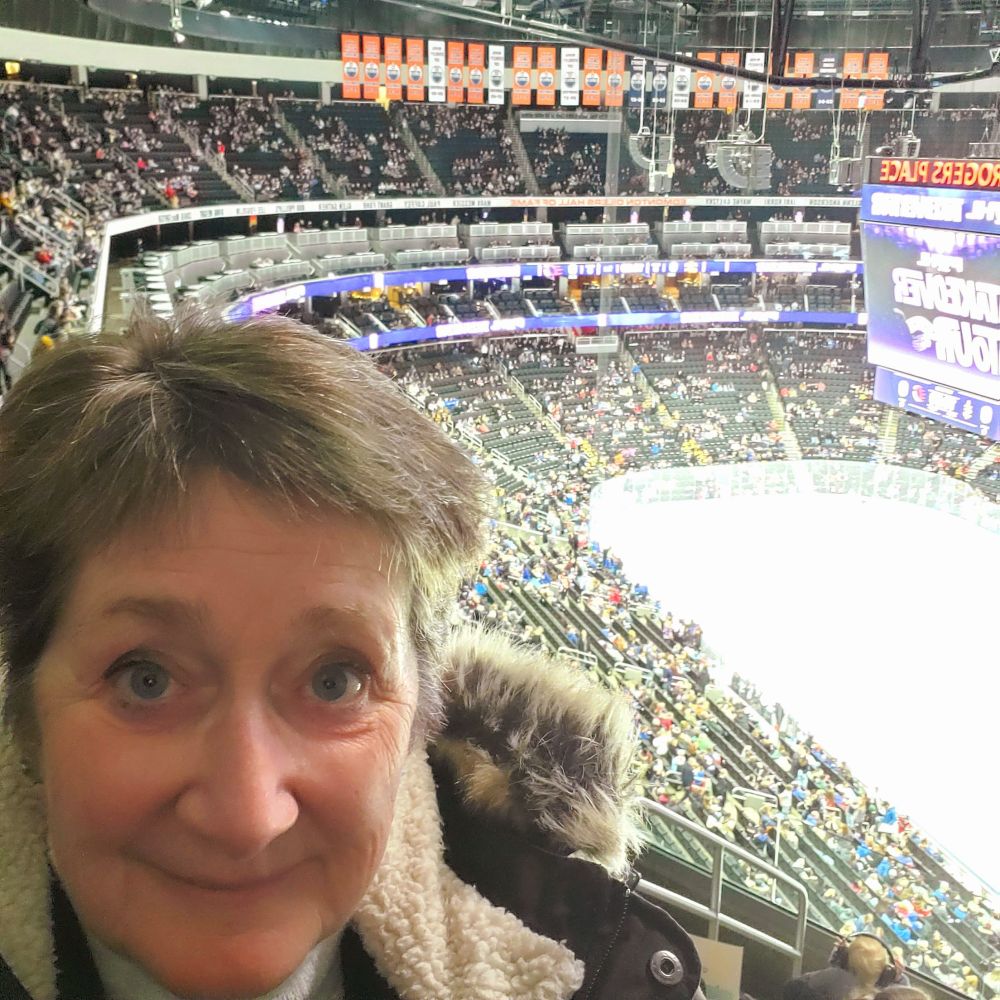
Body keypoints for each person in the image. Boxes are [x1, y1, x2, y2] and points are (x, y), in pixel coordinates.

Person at [0, 306, 705, 1000]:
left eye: (335, 681)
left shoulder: (603, 969)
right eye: (146, 679)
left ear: (420, 716)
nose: (247, 818)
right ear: (25, 715)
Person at [783, 934, 905, 1000]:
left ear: (845, 959)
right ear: (885, 973)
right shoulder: (885, 995)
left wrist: (837, 956)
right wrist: (899, 979)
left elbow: (793, 986)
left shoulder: (835, 976)